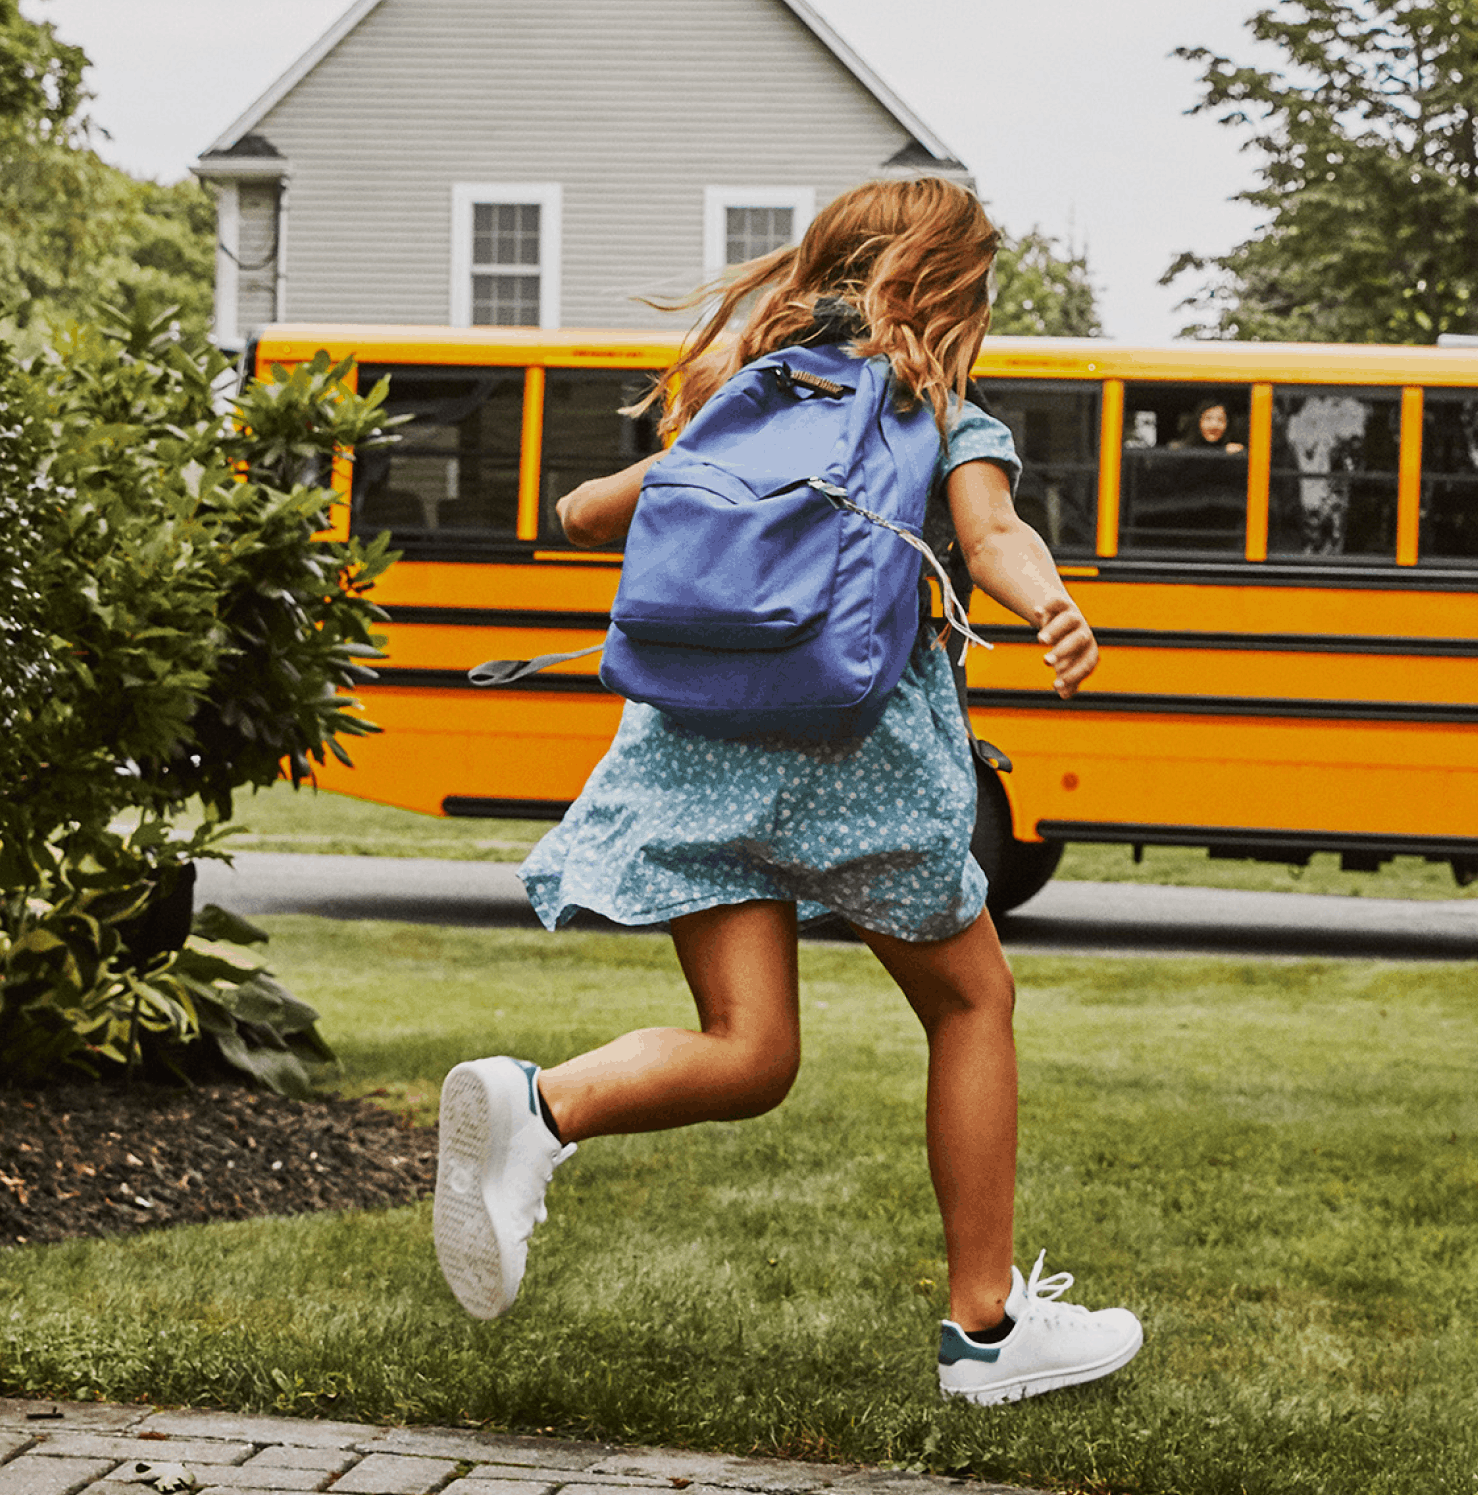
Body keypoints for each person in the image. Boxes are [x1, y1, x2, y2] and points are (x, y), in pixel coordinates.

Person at [428, 177, 1143, 1408]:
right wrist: (1050, 604)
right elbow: (992, 536)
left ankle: (542, 1104)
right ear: (949, 292)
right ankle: (985, 1331)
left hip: (699, 753)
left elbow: (590, 513)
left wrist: (637, 485)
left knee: (749, 1048)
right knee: (973, 1001)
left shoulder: (745, 393)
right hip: (858, 761)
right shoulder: (941, 412)